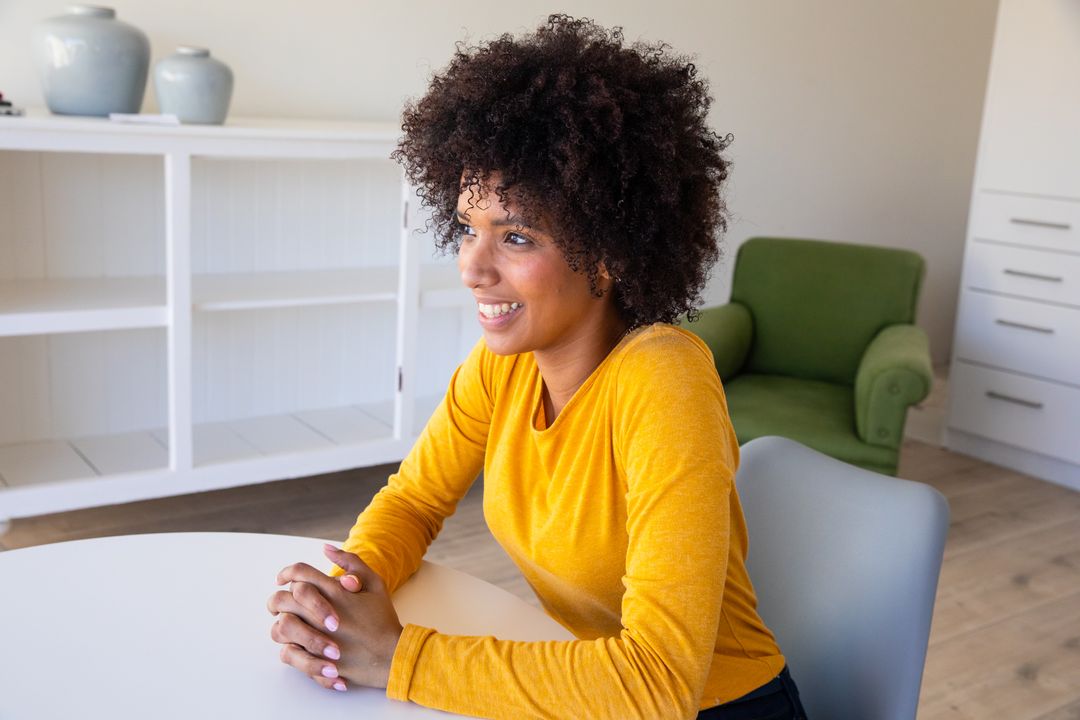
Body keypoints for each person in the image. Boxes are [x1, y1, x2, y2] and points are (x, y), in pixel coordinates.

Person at [266, 15, 808, 720]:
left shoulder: (663, 379)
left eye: (515, 236)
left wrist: (401, 657)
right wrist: (345, 593)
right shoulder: (507, 366)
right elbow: (416, 500)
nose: (471, 267)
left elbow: (659, 682)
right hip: (585, 689)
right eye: (468, 228)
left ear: (608, 252)